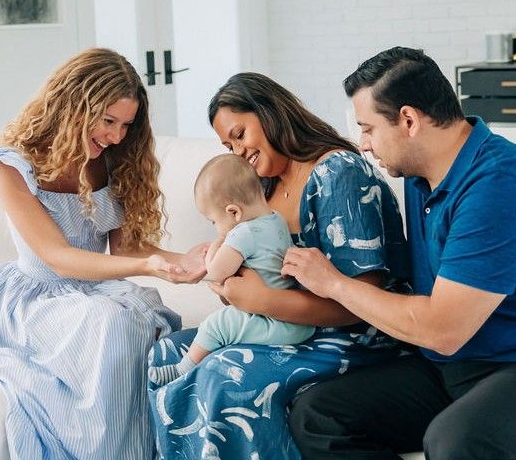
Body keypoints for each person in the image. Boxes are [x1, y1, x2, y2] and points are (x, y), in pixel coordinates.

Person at [284, 46, 516, 460]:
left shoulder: (500, 185)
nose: (363, 144)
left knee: (456, 442)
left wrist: (334, 284)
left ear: (409, 120)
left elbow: (442, 330)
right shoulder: (422, 179)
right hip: (460, 364)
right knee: (318, 414)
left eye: (368, 129)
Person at [148, 72, 409, 460]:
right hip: (281, 327)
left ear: (270, 112)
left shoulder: (339, 174)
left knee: (225, 372)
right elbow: (249, 278)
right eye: (227, 145)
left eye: (240, 134)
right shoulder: (261, 187)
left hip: (357, 337)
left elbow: (362, 305)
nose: (238, 152)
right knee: (166, 352)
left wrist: (260, 300)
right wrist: (229, 285)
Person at [0, 47, 205, 460]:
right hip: (38, 297)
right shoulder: (9, 165)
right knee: (115, 322)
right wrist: (148, 266)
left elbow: (126, 247)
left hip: (96, 291)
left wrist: (183, 259)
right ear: (73, 105)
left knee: (135, 321)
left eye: (125, 125)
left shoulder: (110, 161)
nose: (115, 135)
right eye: (108, 121)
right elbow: (57, 257)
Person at [149, 153, 315, 386]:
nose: (216, 228)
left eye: (214, 222)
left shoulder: (243, 233)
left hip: (275, 322)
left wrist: (216, 244)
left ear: (233, 212)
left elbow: (216, 272)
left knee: (218, 323)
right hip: (295, 320)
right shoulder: (276, 219)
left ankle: (182, 369)